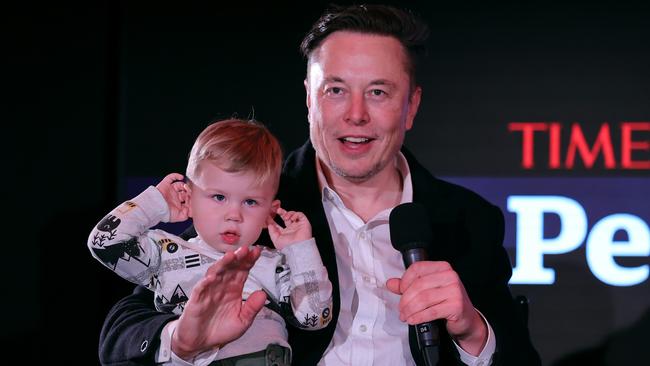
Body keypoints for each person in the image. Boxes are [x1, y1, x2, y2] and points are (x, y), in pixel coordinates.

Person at [98, 4, 541, 366]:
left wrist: (471, 330)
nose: (356, 115)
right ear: (309, 99)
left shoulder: (468, 219)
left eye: (379, 93)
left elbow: (521, 358)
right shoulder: (256, 201)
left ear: (411, 107)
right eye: (335, 90)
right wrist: (183, 339)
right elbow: (123, 332)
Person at [88, 119, 333, 365]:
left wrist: (301, 250)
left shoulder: (275, 264)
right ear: (189, 197)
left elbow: (315, 318)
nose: (234, 214)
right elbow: (104, 242)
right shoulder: (167, 255)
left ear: (270, 211)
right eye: (218, 197)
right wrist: (157, 203)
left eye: (250, 202)